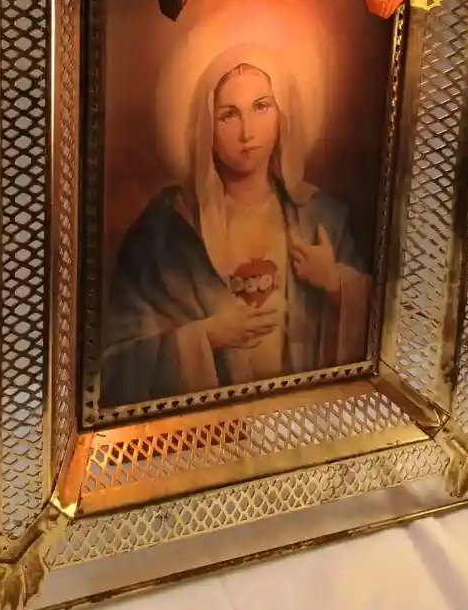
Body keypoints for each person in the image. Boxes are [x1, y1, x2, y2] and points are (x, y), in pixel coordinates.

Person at [100, 42, 372, 407]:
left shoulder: (321, 217)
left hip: (301, 416)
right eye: (229, 114)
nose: (247, 132)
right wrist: (205, 337)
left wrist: (337, 282)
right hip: (208, 427)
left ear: (283, 115)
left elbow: (385, 333)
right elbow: (113, 366)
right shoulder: (165, 229)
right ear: (206, 126)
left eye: (261, 107)